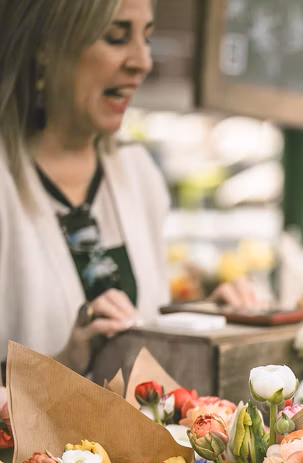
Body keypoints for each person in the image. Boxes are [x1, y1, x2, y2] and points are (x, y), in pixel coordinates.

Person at [0, 0, 259, 379]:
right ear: (45, 46)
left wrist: (203, 320)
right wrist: (63, 362)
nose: (142, 62)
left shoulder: (137, 173)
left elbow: (144, 330)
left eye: (147, 39)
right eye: (116, 37)